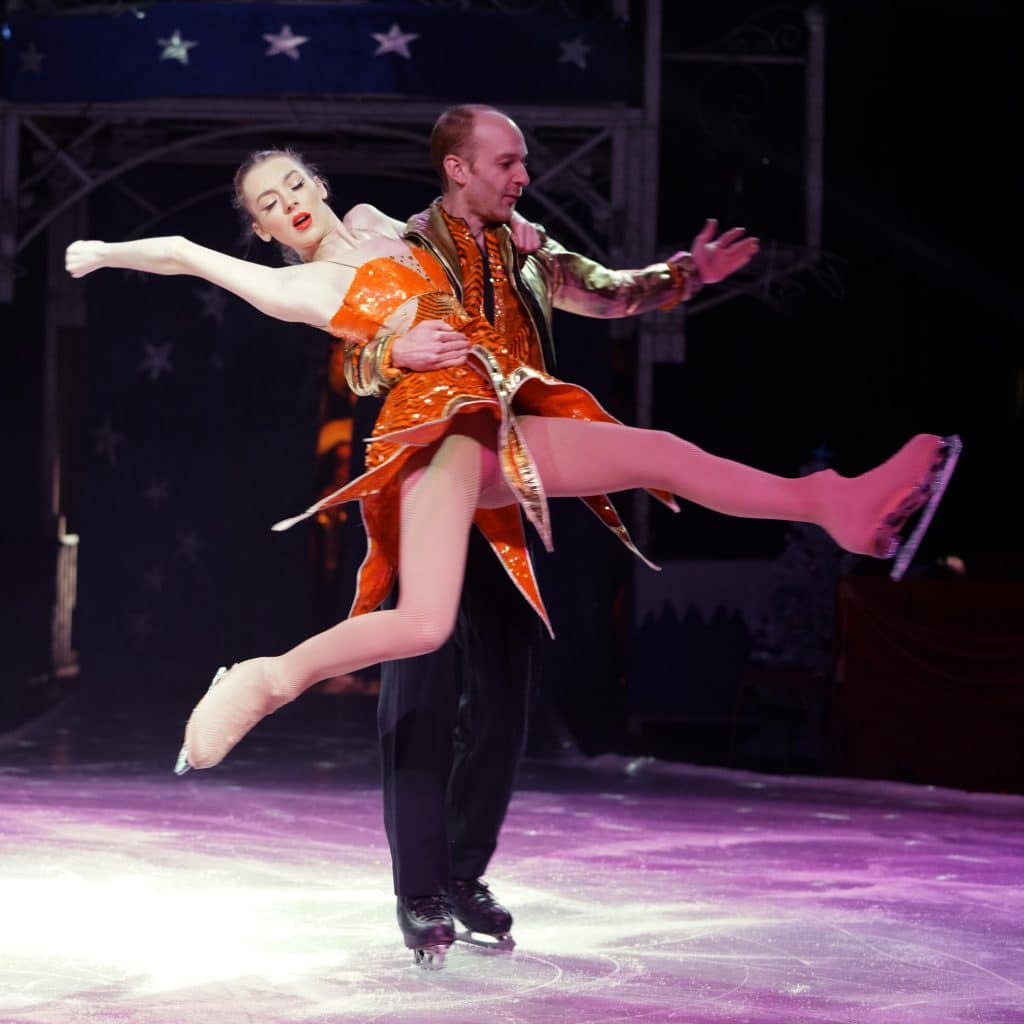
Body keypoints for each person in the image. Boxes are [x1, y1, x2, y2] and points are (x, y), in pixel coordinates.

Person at [64, 126, 958, 967]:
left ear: (323, 186)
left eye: (295, 181)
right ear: (261, 228)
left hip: (508, 411)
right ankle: (266, 683)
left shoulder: (410, 227)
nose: (289, 200)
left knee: (659, 458)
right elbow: (200, 265)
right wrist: (104, 254)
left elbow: (597, 286)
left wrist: (673, 270)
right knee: (421, 630)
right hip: (436, 431)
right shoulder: (295, 287)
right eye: (269, 201)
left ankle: (833, 504)